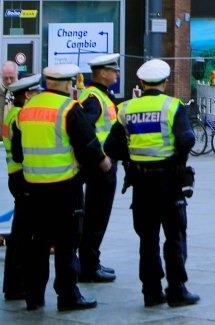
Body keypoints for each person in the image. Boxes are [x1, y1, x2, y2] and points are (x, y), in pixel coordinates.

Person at [12, 64, 109, 311]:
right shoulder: (68, 109)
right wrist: (102, 162)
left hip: (33, 190)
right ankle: (68, 296)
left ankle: (34, 297)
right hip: (65, 189)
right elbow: (87, 144)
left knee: (36, 246)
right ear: (67, 84)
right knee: (66, 245)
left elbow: (17, 152)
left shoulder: (26, 109)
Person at [104, 59, 198, 308]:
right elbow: (187, 139)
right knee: (175, 236)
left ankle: (151, 292)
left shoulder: (126, 109)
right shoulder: (172, 106)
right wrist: (176, 160)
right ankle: (177, 290)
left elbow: (111, 146)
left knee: (148, 239)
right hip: (169, 181)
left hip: (141, 183)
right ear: (165, 83)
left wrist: (132, 157)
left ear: (141, 83)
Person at [77, 52, 121, 283]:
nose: (116, 73)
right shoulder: (94, 98)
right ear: (102, 73)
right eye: (113, 70)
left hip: (102, 163)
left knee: (96, 215)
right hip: (100, 166)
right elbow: (85, 130)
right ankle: (89, 266)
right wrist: (100, 158)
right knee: (96, 216)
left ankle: (90, 261)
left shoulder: (101, 95)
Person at [2, 72, 40, 302]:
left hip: (14, 176)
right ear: (27, 95)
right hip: (23, 177)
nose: (38, 96)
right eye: (36, 93)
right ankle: (18, 285)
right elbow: (20, 151)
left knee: (19, 234)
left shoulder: (12, 115)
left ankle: (14, 284)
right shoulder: (21, 117)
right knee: (23, 235)